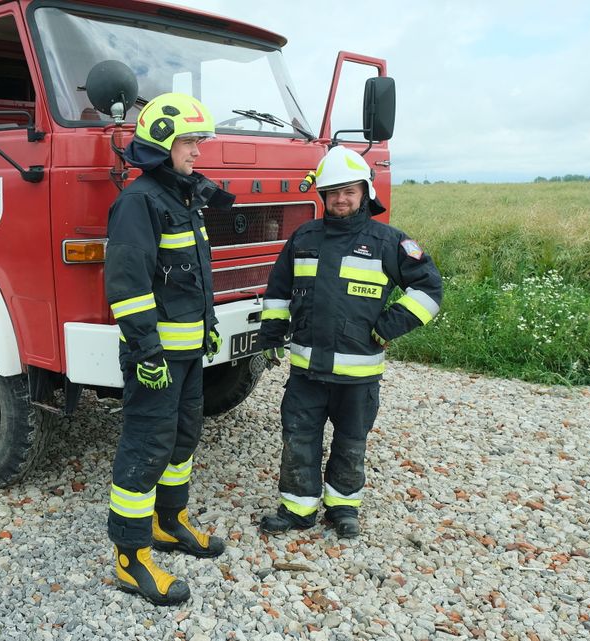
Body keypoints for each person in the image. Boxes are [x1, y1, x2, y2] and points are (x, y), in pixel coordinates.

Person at [257, 145, 443, 539]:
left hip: (358, 375)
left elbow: (429, 288)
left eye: (349, 191)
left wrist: (392, 324)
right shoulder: (303, 237)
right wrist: (271, 332)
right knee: (298, 437)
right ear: (323, 196)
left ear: (365, 193)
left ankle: (343, 508)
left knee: (350, 441)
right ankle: (297, 508)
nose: (341, 199)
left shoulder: (387, 241)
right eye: (333, 192)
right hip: (307, 370)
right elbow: (278, 289)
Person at [104, 92, 236, 606]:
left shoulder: (183, 199)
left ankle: (169, 520)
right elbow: (128, 285)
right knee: (146, 446)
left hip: (186, 355)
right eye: (190, 142)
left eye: (200, 141)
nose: (198, 152)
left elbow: (187, 276)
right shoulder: (139, 202)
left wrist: (206, 326)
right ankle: (131, 556)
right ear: (162, 144)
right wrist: (147, 352)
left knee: (182, 438)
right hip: (155, 358)